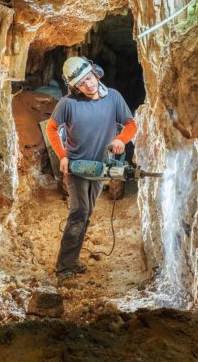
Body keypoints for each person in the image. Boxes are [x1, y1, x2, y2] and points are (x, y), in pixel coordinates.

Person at [45, 56, 137, 286]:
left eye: (89, 78)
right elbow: (51, 128)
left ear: (96, 73)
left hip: (101, 167)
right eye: (81, 83)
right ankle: (64, 268)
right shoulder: (68, 104)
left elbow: (130, 124)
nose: (88, 85)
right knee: (79, 211)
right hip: (77, 166)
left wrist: (120, 139)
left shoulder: (113, 97)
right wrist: (63, 156)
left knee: (86, 214)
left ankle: (73, 260)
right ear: (74, 86)